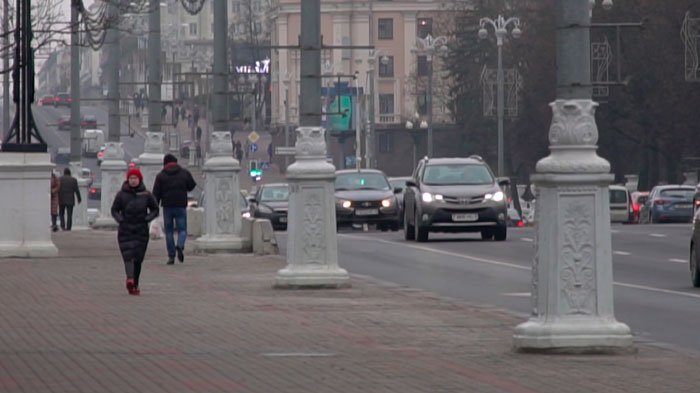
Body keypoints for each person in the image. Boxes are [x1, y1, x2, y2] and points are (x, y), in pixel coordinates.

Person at [111, 168, 159, 296]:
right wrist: (120, 219)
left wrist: (147, 218)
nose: (133, 181)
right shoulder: (121, 195)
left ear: (139, 179)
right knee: (128, 256)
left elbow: (155, 210)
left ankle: (135, 284)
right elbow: (114, 210)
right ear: (128, 179)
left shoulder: (146, 195)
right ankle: (130, 279)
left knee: (138, 259)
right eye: (131, 178)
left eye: (135, 178)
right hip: (126, 230)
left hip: (141, 231)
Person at [152, 154, 196, 265]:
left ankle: (171, 256)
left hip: (167, 206)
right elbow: (192, 186)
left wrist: (154, 208)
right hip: (181, 205)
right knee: (182, 230)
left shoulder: (161, 176)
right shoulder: (184, 173)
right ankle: (180, 245)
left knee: (169, 231)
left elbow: (155, 194)